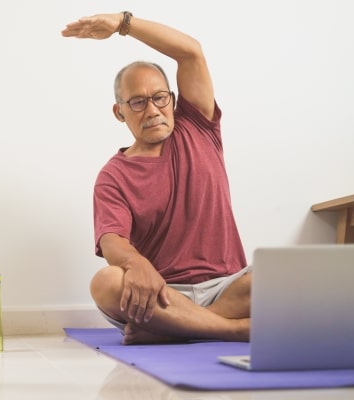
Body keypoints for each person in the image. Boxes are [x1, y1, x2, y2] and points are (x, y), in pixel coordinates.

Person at [61, 12, 252, 344]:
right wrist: (136, 264)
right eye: (137, 102)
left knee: (285, 279)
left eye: (159, 98)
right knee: (106, 283)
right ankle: (232, 329)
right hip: (161, 295)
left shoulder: (198, 126)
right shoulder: (113, 175)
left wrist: (123, 23)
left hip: (229, 287)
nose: (151, 110)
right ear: (119, 112)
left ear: (173, 100)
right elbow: (112, 241)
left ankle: (178, 329)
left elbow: (190, 51)